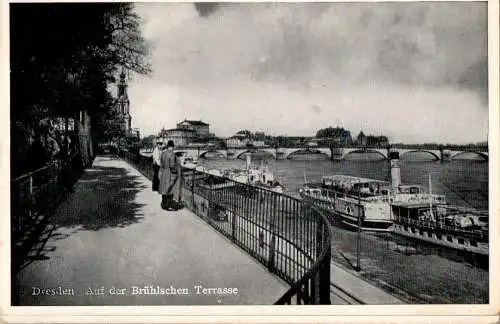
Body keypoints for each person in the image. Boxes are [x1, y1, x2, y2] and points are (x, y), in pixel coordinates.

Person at [158, 140, 181, 211]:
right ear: (172, 147)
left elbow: (161, 164)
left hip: (163, 172)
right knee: (170, 189)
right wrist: (176, 172)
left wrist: (160, 172)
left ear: (168, 146)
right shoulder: (172, 155)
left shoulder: (163, 153)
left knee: (164, 189)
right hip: (169, 173)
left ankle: (164, 204)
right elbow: (172, 166)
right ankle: (169, 205)